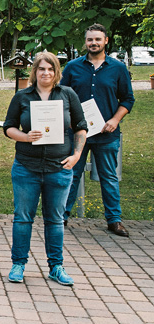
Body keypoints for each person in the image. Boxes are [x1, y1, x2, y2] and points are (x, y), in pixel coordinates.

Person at [3, 52, 87, 286]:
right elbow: (9, 127)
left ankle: (56, 267)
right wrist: (25, 137)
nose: (46, 73)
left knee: (55, 220)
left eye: (50, 69)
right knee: (22, 218)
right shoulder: (22, 96)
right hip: (26, 167)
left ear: (56, 72)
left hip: (58, 167)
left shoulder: (68, 95)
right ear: (35, 72)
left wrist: (77, 155)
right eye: (41, 69)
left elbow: (80, 127)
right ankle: (18, 264)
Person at [61, 24, 135, 236]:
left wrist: (114, 119)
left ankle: (114, 220)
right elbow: (62, 96)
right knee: (71, 174)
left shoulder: (118, 68)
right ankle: (62, 217)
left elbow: (128, 99)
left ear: (106, 41)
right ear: (85, 42)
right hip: (78, 134)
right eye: (90, 40)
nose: (93, 43)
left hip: (107, 134)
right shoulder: (73, 67)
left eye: (97, 39)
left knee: (109, 177)